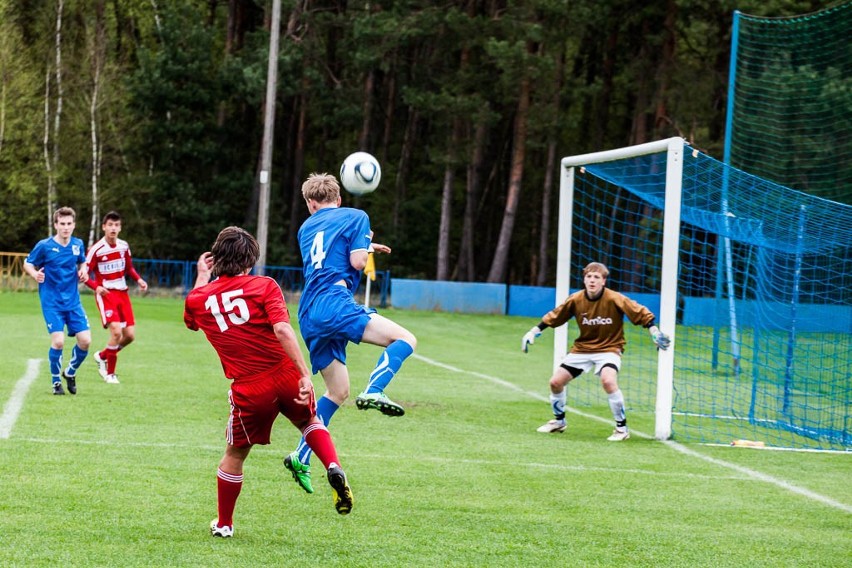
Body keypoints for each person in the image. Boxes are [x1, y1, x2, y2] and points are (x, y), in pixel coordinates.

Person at [183, 226, 353, 538]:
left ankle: (224, 524)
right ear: (250, 261)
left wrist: (202, 275)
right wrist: (304, 374)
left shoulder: (198, 299)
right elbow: (283, 330)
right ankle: (331, 465)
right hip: (285, 372)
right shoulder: (264, 286)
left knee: (235, 454)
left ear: (216, 257)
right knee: (309, 421)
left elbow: (192, 316)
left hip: (250, 386)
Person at [284, 172, 417, 494]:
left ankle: (300, 456)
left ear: (310, 204)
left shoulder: (306, 227)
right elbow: (356, 262)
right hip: (334, 300)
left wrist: (364, 242)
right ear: (339, 198)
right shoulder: (356, 216)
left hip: (309, 311)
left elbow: (331, 249)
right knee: (405, 339)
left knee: (337, 391)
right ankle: (374, 390)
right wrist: (365, 244)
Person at [521, 262, 671, 441]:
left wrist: (654, 331)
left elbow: (639, 312)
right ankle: (559, 422)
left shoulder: (615, 298)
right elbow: (555, 316)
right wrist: (533, 332)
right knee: (555, 382)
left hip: (609, 348)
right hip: (582, 349)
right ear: (584, 280)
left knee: (608, 381)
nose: (592, 280)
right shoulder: (575, 299)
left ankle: (621, 429)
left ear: (603, 281)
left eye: (596, 277)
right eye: (589, 277)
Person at [23, 207, 92, 395]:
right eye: (62, 224)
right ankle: (55, 382)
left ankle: (69, 372)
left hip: (73, 302)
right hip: (52, 301)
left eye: (69, 224)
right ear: (55, 225)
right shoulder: (44, 246)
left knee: (85, 341)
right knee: (59, 341)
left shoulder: (77, 244)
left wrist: (84, 270)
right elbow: (27, 262)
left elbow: (82, 261)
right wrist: (35, 273)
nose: (66, 227)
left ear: (74, 225)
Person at [86, 211, 148, 384]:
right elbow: (83, 275)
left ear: (120, 228)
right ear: (104, 227)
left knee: (129, 336)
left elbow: (129, 268)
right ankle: (110, 374)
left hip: (123, 293)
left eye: (116, 225)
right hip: (106, 294)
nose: (113, 228)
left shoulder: (123, 246)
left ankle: (103, 355)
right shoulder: (96, 250)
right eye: (110, 225)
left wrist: (139, 280)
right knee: (116, 332)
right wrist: (96, 287)